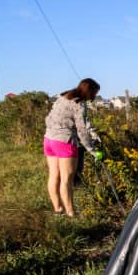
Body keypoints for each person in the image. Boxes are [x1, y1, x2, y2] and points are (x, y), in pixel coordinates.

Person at [43, 78, 102, 217]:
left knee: (53, 176)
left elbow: (49, 117)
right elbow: (82, 132)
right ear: (90, 91)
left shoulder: (62, 97)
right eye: (94, 93)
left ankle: (58, 209)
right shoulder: (79, 104)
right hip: (64, 142)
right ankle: (71, 214)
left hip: (49, 140)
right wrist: (92, 150)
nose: (94, 96)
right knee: (66, 180)